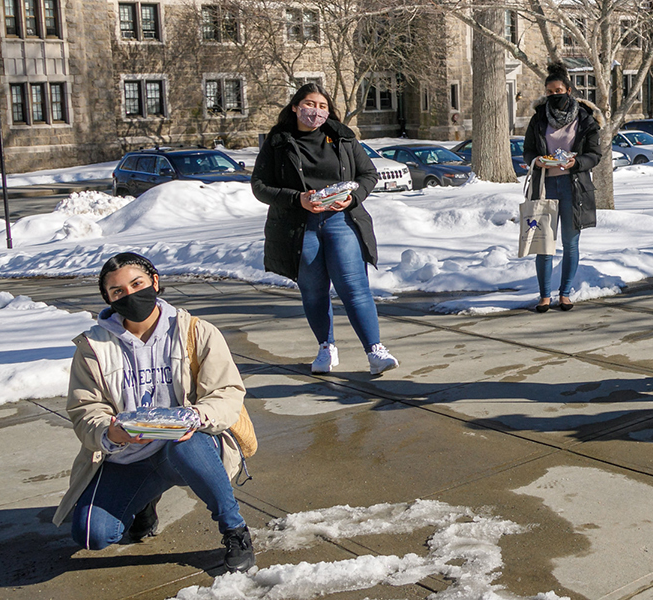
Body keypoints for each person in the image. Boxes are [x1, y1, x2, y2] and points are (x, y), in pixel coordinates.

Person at [52, 252, 255, 572]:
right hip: (129, 453)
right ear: (108, 298)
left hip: (188, 445)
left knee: (185, 444)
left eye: (137, 284)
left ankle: (234, 529)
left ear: (155, 282)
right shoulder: (94, 347)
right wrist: (108, 432)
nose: (130, 295)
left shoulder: (195, 331)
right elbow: (84, 408)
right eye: (118, 291)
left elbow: (227, 393)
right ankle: (144, 501)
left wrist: (197, 416)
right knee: (93, 535)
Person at [251, 83, 399, 375]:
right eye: (309, 104)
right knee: (314, 291)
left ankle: (375, 351)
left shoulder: (342, 138)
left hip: (341, 222)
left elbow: (369, 174)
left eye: (322, 106)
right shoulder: (277, 142)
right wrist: (298, 200)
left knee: (354, 288)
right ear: (295, 107)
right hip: (299, 226)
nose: (315, 112)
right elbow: (259, 186)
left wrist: (352, 197)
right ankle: (325, 347)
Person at [522, 62, 603, 312]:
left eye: (558, 90)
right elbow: (528, 151)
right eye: (549, 92)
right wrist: (537, 161)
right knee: (543, 243)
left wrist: (575, 162)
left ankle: (565, 294)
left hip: (573, 187)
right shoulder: (538, 119)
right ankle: (544, 296)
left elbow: (594, 155)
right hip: (545, 186)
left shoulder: (585, 119)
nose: (554, 95)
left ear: (569, 90)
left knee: (571, 243)